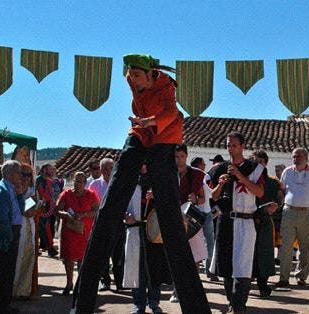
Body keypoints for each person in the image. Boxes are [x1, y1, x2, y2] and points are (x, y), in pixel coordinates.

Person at [72, 54, 210, 313]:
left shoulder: (166, 85)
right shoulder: (130, 78)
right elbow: (136, 93)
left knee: (168, 209)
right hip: (140, 130)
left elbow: (171, 112)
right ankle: (81, 303)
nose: (134, 80)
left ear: (151, 73)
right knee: (112, 200)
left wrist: (153, 121)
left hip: (164, 135)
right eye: (131, 75)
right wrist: (144, 123)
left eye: (139, 76)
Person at [209, 131, 265, 314]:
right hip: (226, 219)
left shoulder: (254, 168)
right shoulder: (220, 168)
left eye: (234, 145)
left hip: (246, 220)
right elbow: (213, 196)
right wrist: (221, 184)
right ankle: (231, 302)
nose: (231, 149)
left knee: (243, 263)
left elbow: (259, 192)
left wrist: (240, 177)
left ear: (242, 147)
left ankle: (239, 305)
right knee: (226, 263)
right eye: (228, 145)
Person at [123, 164, 170, 314]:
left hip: (153, 231)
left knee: (154, 267)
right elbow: (121, 203)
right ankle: (139, 303)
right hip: (135, 228)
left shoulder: (157, 181)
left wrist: (156, 197)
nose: (143, 166)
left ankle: (154, 302)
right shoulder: (128, 180)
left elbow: (168, 202)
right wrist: (126, 216)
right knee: (137, 268)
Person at [276, 147, 309, 288]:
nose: (295, 159)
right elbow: (283, 188)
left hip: (307, 213)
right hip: (289, 211)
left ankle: (301, 276)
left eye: (298, 156)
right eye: (294, 156)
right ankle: (284, 278)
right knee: (285, 247)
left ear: (306, 157)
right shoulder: (287, 171)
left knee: (305, 247)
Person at [170, 143, 207, 303]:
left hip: (191, 217)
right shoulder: (167, 173)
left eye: (182, 156)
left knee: (195, 256)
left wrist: (195, 199)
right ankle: (176, 290)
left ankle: (194, 289)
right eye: (176, 157)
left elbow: (203, 198)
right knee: (176, 255)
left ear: (186, 156)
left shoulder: (196, 174)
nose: (179, 160)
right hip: (173, 217)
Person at [0, 160, 24, 314]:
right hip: (6, 236)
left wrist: (20, 194)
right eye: (18, 173)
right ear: (10, 174)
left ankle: (5, 305)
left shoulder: (10, 189)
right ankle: (0, 307)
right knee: (4, 273)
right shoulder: (1, 191)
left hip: (12, 232)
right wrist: (10, 236)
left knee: (8, 272)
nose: (20, 176)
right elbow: (1, 219)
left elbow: (20, 210)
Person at [55, 172, 99, 296]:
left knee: (82, 259)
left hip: (84, 231)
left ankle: (80, 284)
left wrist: (84, 214)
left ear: (85, 183)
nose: (78, 183)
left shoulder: (91, 195)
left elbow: (96, 211)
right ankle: (69, 283)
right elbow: (57, 210)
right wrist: (68, 216)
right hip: (69, 230)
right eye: (76, 180)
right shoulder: (66, 194)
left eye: (80, 181)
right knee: (69, 258)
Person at [89, 158, 125, 292]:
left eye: (111, 167)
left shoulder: (120, 182)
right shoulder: (94, 185)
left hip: (118, 222)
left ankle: (120, 281)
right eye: (105, 168)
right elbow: (91, 204)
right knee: (102, 254)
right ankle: (105, 281)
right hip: (101, 223)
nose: (108, 171)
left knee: (118, 254)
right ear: (101, 170)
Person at [251, 150, 282, 299]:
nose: (258, 165)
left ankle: (263, 285)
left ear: (265, 163)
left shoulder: (273, 182)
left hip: (264, 223)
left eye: (260, 162)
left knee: (265, 254)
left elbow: (280, 199)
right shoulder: (247, 179)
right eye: (255, 162)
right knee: (248, 253)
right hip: (247, 221)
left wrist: (275, 207)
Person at [190, 156, 219, 282]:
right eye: (203, 164)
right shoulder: (194, 177)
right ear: (198, 165)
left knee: (209, 242)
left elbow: (209, 194)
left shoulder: (204, 176)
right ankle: (205, 271)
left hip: (205, 213)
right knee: (200, 243)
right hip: (196, 214)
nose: (205, 166)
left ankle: (210, 271)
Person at [13, 163, 38, 298]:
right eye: (23, 174)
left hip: (29, 225)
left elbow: (31, 211)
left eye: (29, 174)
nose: (26, 177)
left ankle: (23, 291)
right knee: (18, 257)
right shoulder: (15, 188)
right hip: (19, 225)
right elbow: (25, 210)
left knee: (29, 257)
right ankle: (13, 290)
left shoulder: (32, 188)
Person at [35, 164, 61, 257]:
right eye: (49, 169)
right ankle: (49, 248)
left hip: (47, 207)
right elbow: (42, 193)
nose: (51, 171)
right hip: (40, 208)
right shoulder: (39, 180)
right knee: (43, 228)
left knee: (45, 228)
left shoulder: (49, 181)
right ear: (44, 170)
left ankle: (47, 248)